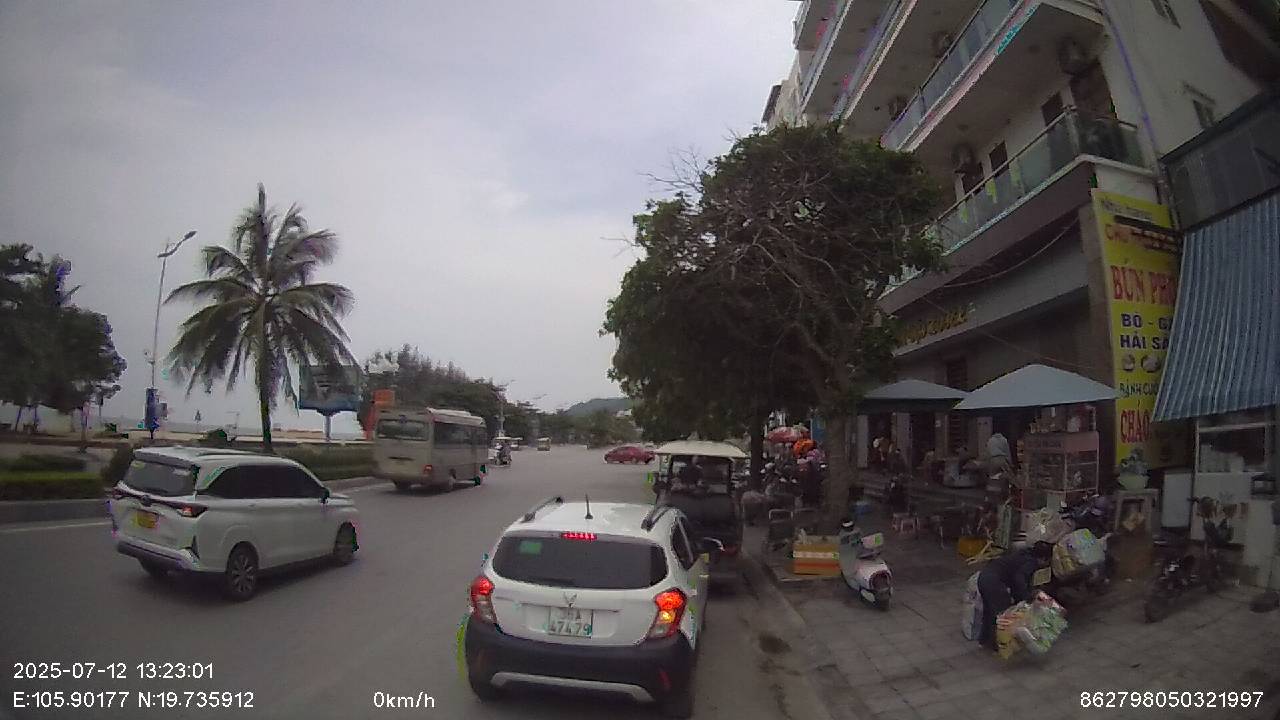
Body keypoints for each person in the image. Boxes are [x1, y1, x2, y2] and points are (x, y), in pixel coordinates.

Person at [976, 542, 1054, 650]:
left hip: (984, 577)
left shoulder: (1023, 554)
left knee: (989, 611)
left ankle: (983, 640)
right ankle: (999, 644)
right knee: (1003, 614)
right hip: (994, 583)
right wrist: (1026, 597)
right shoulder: (1031, 562)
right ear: (1043, 558)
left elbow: (1014, 579)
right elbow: (1019, 580)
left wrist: (1019, 597)